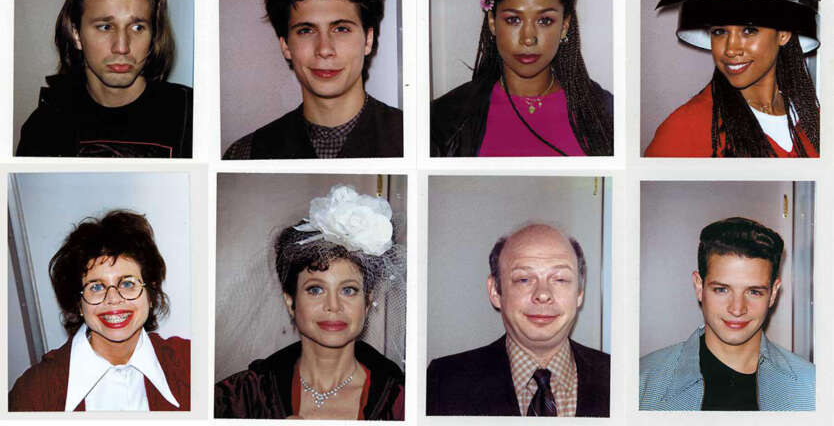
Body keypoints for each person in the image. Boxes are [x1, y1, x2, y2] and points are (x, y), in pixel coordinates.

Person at [215, 184, 405, 419]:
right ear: (290, 301)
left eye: (348, 290)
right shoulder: (237, 398)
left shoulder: (400, 402)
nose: (333, 306)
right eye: (315, 289)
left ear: (367, 303)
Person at [644, 0, 820, 158]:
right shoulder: (682, 131)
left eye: (748, 30)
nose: (730, 49)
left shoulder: (812, 118)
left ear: (784, 34)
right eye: (719, 31)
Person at [223, 0, 402, 159]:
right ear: (286, 46)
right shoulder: (245, 154)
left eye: (341, 29)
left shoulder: (421, 141)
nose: (324, 49)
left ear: (368, 40)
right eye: (306, 31)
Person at [431, 0, 613, 156]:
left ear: (564, 26)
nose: (528, 38)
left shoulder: (605, 111)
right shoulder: (443, 118)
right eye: (513, 20)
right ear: (493, 22)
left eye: (544, 21)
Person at [9, 210, 189, 411]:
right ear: (78, 303)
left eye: (127, 283)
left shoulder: (191, 364)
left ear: (151, 294)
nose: (113, 299)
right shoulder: (33, 394)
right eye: (96, 287)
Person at [427, 223, 609, 415]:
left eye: (560, 279)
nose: (543, 295)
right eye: (523, 279)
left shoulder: (620, 379)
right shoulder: (442, 382)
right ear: (495, 291)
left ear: (579, 292)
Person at [16, 0, 192, 158]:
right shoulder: (46, 126)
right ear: (76, 35)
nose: (122, 47)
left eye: (137, 28)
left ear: (153, 35)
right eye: (105, 27)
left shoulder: (190, 114)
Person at [640, 217, 814, 410]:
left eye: (754, 292)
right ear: (699, 286)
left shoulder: (813, 387)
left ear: (773, 293)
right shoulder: (642, 383)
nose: (737, 309)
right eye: (722, 290)